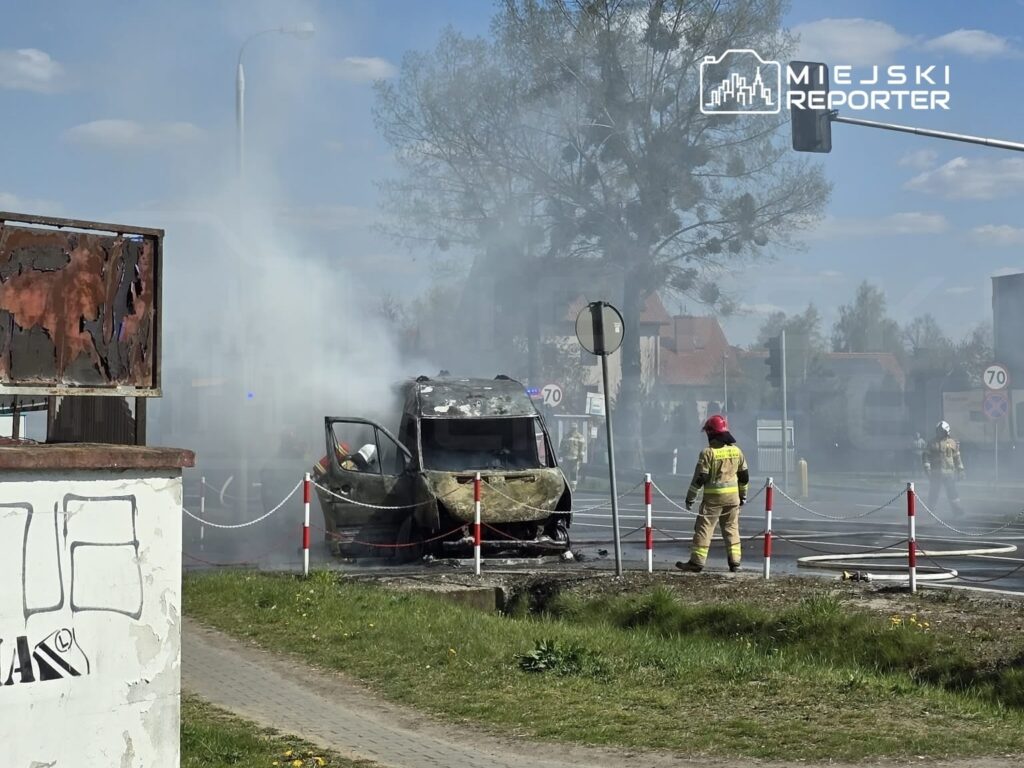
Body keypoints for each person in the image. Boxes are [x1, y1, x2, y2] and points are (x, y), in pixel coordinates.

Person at [677, 414, 749, 573]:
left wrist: (690, 497)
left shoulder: (708, 453)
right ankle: (735, 563)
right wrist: (743, 495)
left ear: (711, 433)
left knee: (704, 528)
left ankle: (696, 562)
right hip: (733, 499)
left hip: (713, 500)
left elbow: (699, 478)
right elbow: (744, 476)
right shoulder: (736, 451)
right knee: (731, 528)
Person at [923, 421, 965, 517]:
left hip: (949, 473)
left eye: (942, 431)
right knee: (934, 492)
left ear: (947, 431)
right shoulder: (932, 443)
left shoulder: (952, 443)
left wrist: (961, 470)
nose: (939, 433)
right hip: (936, 473)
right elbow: (925, 457)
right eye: (938, 431)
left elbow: (957, 458)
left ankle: (957, 509)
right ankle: (931, 511)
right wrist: (927, 469)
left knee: (952, 492)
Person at [559, 426, 586, 490]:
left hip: (575, 458)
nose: (573, 430)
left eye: (574, 428)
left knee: (573, 472)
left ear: (576, 429)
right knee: (565, 472)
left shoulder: (580, 437)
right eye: (572, 428)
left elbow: (583, 447)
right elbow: (561, 445)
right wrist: (560, 453)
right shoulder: (566, 436)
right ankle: (565, 486)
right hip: (566, 457)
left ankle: (573, 487)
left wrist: (581, 456)